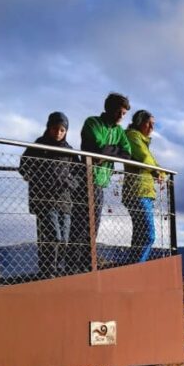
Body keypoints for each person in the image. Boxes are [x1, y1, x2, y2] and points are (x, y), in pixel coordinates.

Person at [67, 92, 132, 272]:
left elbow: (126, 153)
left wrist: (107, 152)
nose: (121, 116)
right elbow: (95, 148)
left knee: (93, 224)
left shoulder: (118, 131)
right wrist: (112, 151)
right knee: (81, 223)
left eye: (124, 114)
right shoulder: (92, 122)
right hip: (86, 178)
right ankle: (73, 265)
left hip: (101, 182)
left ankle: (85, 263)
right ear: (109, 109)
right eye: (119, 112)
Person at [19, 111, 79, 276]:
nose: (58, 133)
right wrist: (39, 180)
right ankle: (48, 269)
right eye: (55, 129)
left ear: (66, 131)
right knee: (53, 236)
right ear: (48, 128)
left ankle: (57, 267)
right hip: (44, 199)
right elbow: (24, 167)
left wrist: (69, 182)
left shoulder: (69, 151)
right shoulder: (39, 145)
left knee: (64, 239)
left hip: (64, 200)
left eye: (62, 130)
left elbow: (79, 174)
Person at [123, 110, 162, 263]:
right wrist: (156, 170)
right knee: (148, 234)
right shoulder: (133, 136)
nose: (152, 127)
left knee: (140, 235)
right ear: (139, 122)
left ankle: (134, 266)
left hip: (145, 191)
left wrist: (158, 171)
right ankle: (138, 268)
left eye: (153, 124)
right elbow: (145, 158)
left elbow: (153, 162)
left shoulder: (143, 141)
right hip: (137, 190)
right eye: (148, 123)